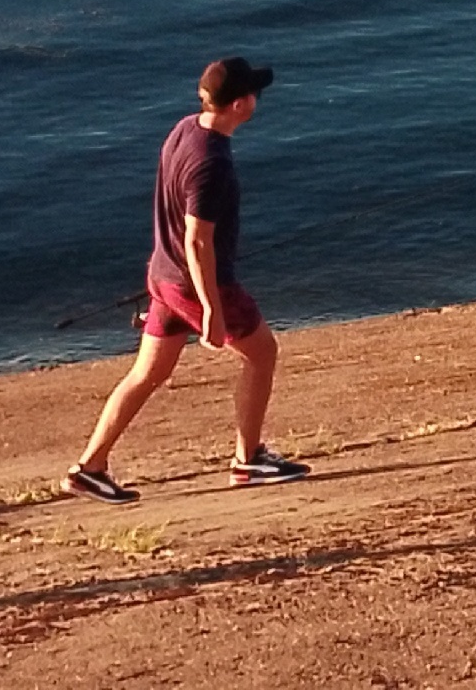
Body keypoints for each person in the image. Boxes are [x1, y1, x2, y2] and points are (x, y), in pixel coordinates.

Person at [65, 57, 310, 502]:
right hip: (193, 283)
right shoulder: (211, 162)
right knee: (262, 354)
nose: (258, 98)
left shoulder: (184, 129)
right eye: (254, 93)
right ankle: (248, 459)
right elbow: (198, 241)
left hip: (162, 275)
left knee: (148, 373)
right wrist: (212, 307)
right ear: (239, 104)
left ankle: (90, 467)